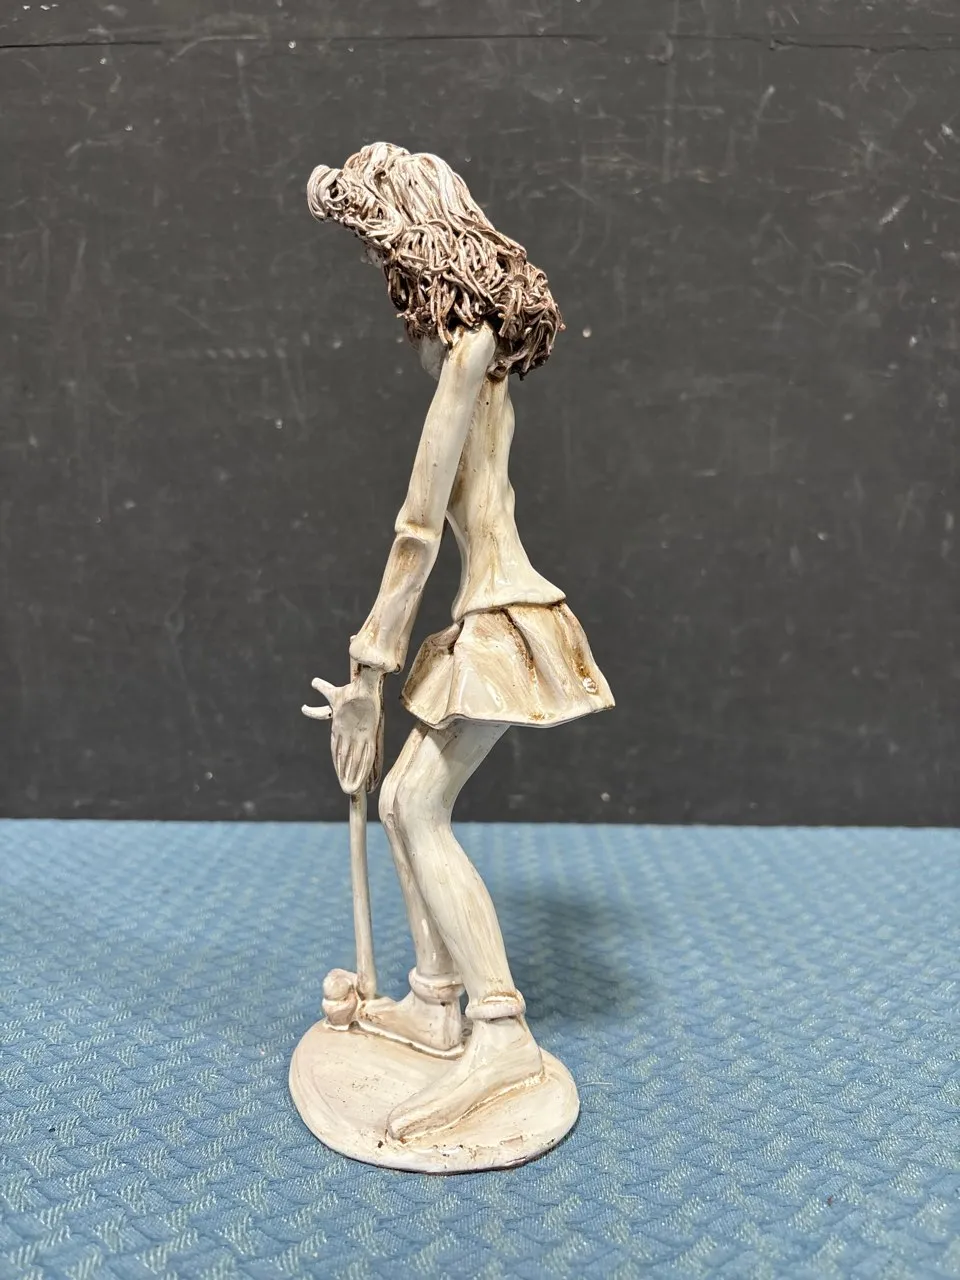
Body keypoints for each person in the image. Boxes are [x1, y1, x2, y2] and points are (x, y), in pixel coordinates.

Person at [304, 143, 613, 1142]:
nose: (378, 266)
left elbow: (419, 522)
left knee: (412, 804)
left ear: (413, 236)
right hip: (496, 606)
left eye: (377, 241)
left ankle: (500, 1027)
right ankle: (437, 1002)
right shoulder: (473, 342)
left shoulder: (470, 349)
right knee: (405, 801)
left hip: (503, 610)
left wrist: (369, 669)